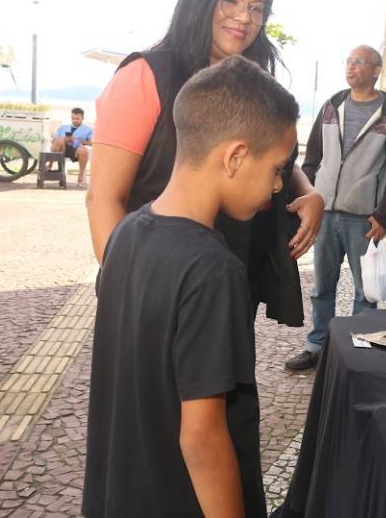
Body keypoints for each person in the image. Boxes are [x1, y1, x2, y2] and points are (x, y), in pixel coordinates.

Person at [83, 55, 299, 516]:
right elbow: (202, 436)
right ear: (236, 156)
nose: (279, 185)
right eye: (277, 168)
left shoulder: (125, 234)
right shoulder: (212, 269)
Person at [86, 0, 323, 327]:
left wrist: (308, 192)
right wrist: (131, 291)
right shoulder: (145, 76)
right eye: (230, 0)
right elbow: (103, 197)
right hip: (160, 282)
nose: (244, 18)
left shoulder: (253, 81)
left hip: (229, 274)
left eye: (257, 8)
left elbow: (272, 157)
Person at [284, 45, 386, 370]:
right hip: (324, 213)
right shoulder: (332, 106)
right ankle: (316, 346)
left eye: (359, 62)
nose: (351, 67)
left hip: (364, 218)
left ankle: (359, 350)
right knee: (322, 285)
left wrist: (383, 216)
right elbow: (311, 160)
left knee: (365, 290)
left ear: (376, 70)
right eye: (349, 61)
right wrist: (306, 199)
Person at [51, 107, 93, 187]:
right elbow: (53, 140)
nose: (75, 120)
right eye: (73, 118)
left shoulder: (88, 130)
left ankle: (80, 179)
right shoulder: (63, 127)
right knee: (59, 140)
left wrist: (78, 139)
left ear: (82, 118)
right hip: (61, 148)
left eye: (77, 119)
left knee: (83, 151)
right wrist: (63, 139)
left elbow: (91, 143)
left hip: (75, 149)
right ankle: (50, 166)